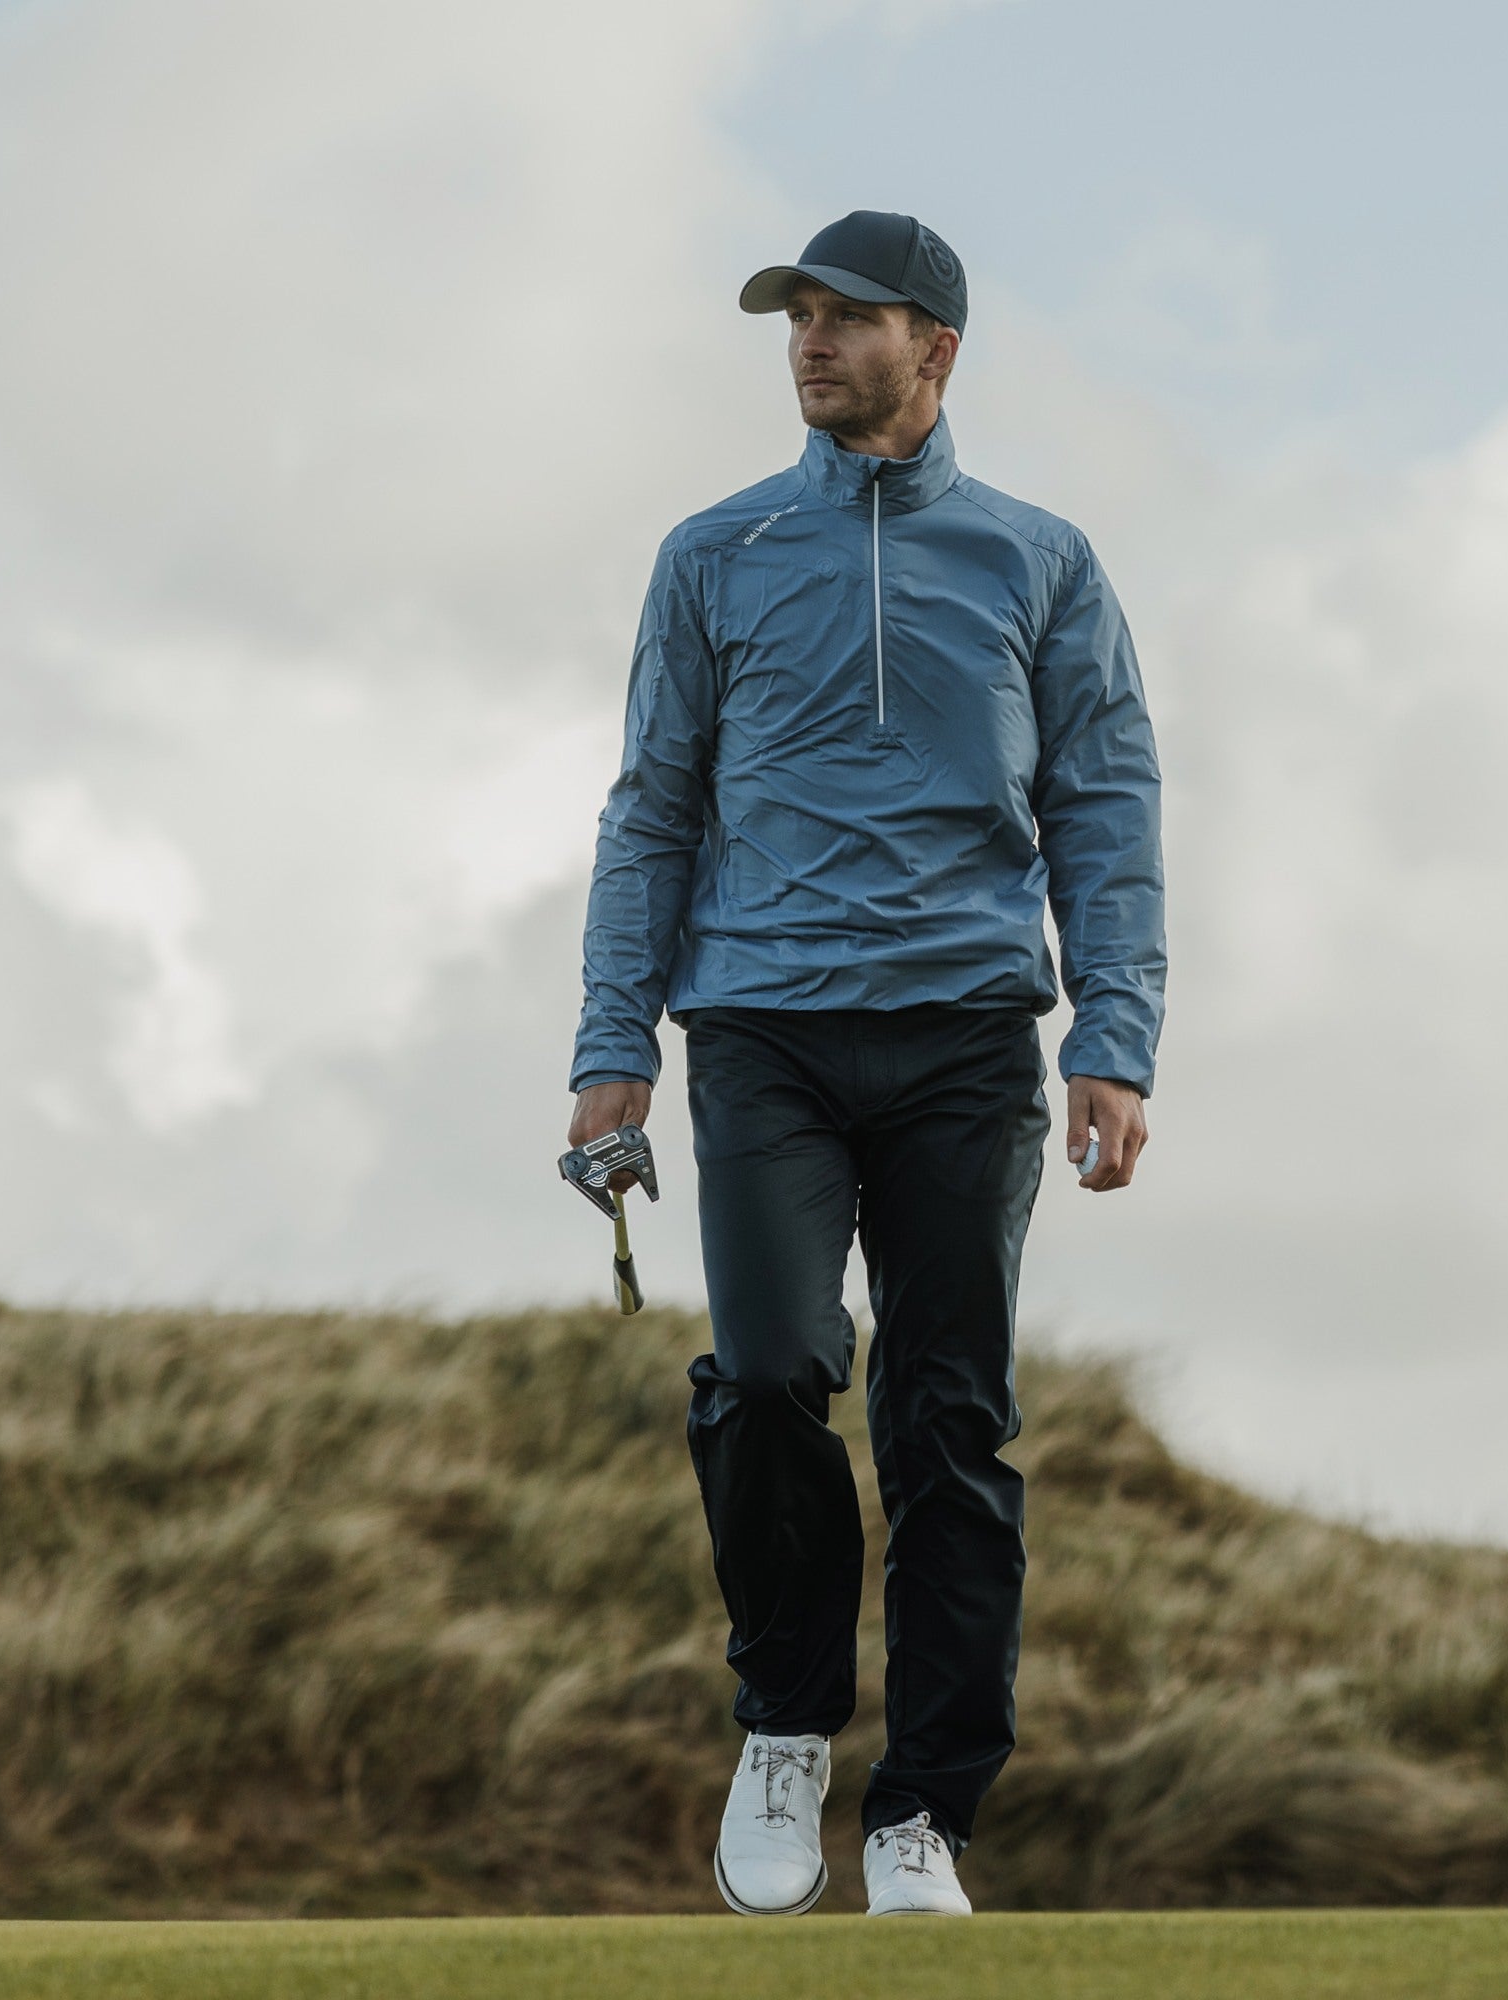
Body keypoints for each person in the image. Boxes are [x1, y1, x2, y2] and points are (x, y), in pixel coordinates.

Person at [565, 210, 1165, 1917]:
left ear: (936, 349)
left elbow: (1105, 806)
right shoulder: (716, 553)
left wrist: (1114, 1036)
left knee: (948, 1420)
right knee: (767, 1375)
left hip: (968, 1037)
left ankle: (924, 1816)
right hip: (761, 1029)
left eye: (849, 318)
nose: (812, 343)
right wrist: (612, 1044)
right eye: (798, 318)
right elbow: (652, 806)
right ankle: (786, 1729)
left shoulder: (1041, 561)